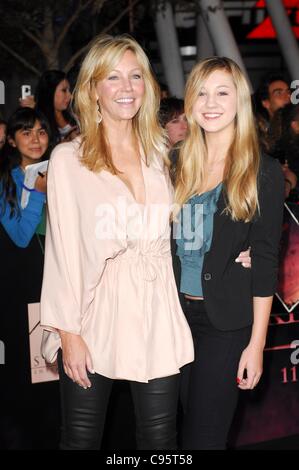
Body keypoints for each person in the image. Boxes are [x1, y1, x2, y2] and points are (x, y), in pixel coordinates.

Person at [40, 34, 194, 451]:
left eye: (136, 76)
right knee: (81, 440)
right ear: (92, 90)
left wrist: (238, 253)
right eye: (113, 77)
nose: (126, 88)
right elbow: (62, 251)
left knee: (162, 441)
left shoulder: (160, 152)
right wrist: (67, 332)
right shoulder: (69, 159)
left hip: (157, 308)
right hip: (95, 314)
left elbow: (186, 227)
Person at [172, 57, 285, 449]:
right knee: (180, 429)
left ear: (239, 100)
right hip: (173, 318)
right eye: (201, 92)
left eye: (222, 92)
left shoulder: (262, 172)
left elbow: (266, 263)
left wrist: (255, 346)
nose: (210, 102)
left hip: (226, 325)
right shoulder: (174, 165)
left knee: (202, 439)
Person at [0, 107, 51, 448]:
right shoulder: (6, 178)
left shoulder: (64, 169)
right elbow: (19, 235)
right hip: (24, 284)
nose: (35, 139)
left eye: (41, 132)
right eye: (26, 132)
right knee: (32, 368)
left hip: (61, 279)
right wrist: (40, 191)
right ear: (13, 140)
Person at [19, 70, 78, 149]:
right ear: (50, 92)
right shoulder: (39, 120)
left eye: (69, 90)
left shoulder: (73, 114)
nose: (70, 96)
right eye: (64, 90)